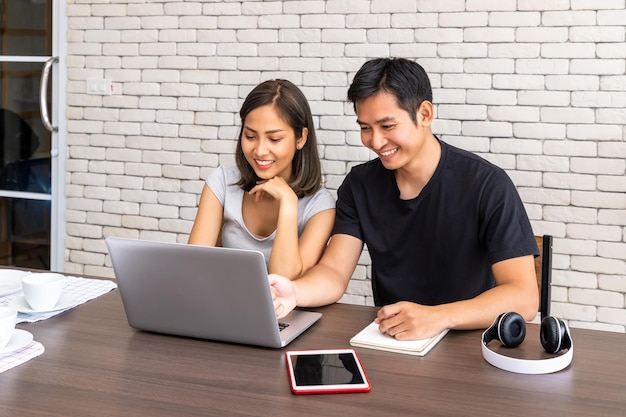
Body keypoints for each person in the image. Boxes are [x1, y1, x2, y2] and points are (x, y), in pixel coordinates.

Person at [269, 58, 539, 340]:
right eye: (365, 127)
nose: (375, 142)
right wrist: (295, 292)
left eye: (387, 126)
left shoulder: (486, 184)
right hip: (393, 340)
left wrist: (437, 317)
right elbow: (334, 271)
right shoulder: (360, 185)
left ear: (424, 114)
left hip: (469, 345)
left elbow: (524, 297)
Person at [189, 79, 335, 279]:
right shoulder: (222, 183)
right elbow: (194, 264)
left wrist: (289, 203)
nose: (259, 150)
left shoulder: (320, 206)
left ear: (301, 138)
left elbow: (284, 280)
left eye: (274, 139)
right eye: (250, 136)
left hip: (285, 310)